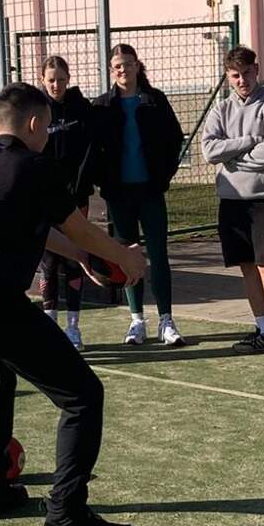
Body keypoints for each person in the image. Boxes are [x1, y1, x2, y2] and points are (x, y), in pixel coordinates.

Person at [0, 82, 146, 526]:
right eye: (47, 127)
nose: (49, 136)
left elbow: (43, 228)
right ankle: (67, 515)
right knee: (83, 396)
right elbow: (80, 228)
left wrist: (81, 257)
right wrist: (125, 257)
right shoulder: (34, 166)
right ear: (33, 124)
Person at [201, 44, 264, 359]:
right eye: (235, 75)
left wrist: (233, 159)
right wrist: (249, 142)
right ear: (228, 77)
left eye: (246, 73)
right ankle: (263, 331)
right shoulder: (221, 110)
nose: (242, 80)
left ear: (257, 70)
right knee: (248, 268)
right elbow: (209, 151)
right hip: (233, 201)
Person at [92, 42, 186, 348]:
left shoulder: (155, 100)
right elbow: (93, 149)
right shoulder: (102, 106)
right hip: (119, 195)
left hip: (150, 191)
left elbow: (174, 139)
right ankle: (136, 320)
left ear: (137, 65)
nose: (123, 70)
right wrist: (104, 181)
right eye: (118, 66)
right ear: (111, 70)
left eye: (128, 64)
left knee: (158, 254)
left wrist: (163, 176)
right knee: (126, 256)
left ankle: (166, 320)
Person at [36, 54, 95, 351]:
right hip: (46, 201)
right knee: (48, 263)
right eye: (51, 80)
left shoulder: (81, 109)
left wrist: (79, 187)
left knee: (74, 260)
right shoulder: (37, 111)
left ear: (68, 79)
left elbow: (89, 152)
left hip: (76, 200)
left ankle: (73, 328)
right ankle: (50, 328)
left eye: (61, 79)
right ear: (42, 81)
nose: (56, 85)